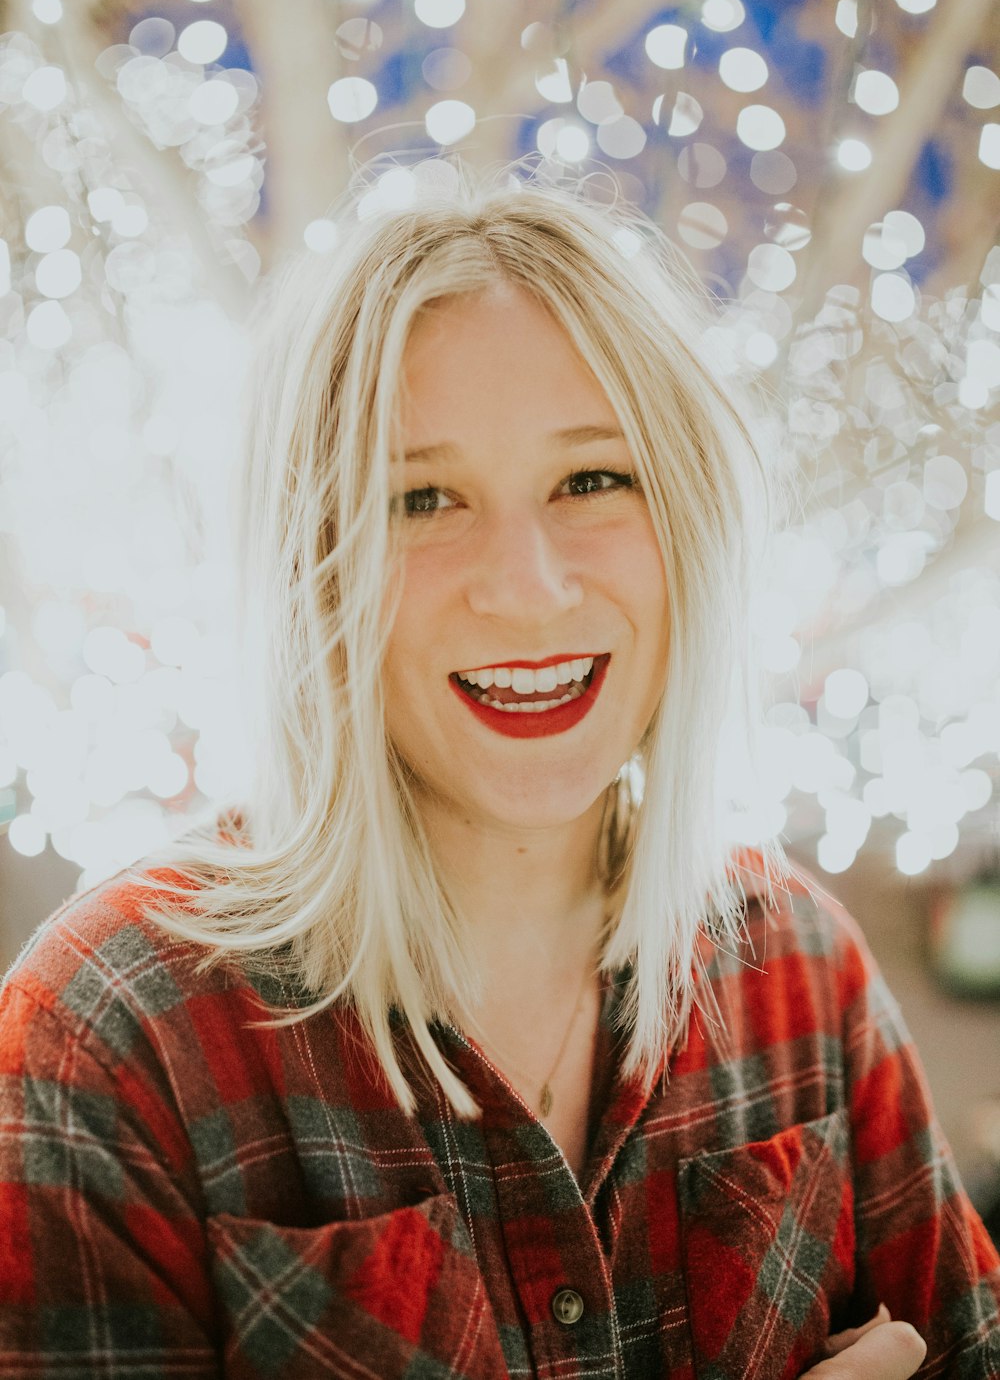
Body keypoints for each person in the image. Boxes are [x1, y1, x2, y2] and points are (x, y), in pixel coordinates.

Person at [0, 163, 997, 1380]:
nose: (527, 585)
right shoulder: (112, 1036)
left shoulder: (802, 972)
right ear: (313, 565)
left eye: (592, 479)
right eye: (421, 499)